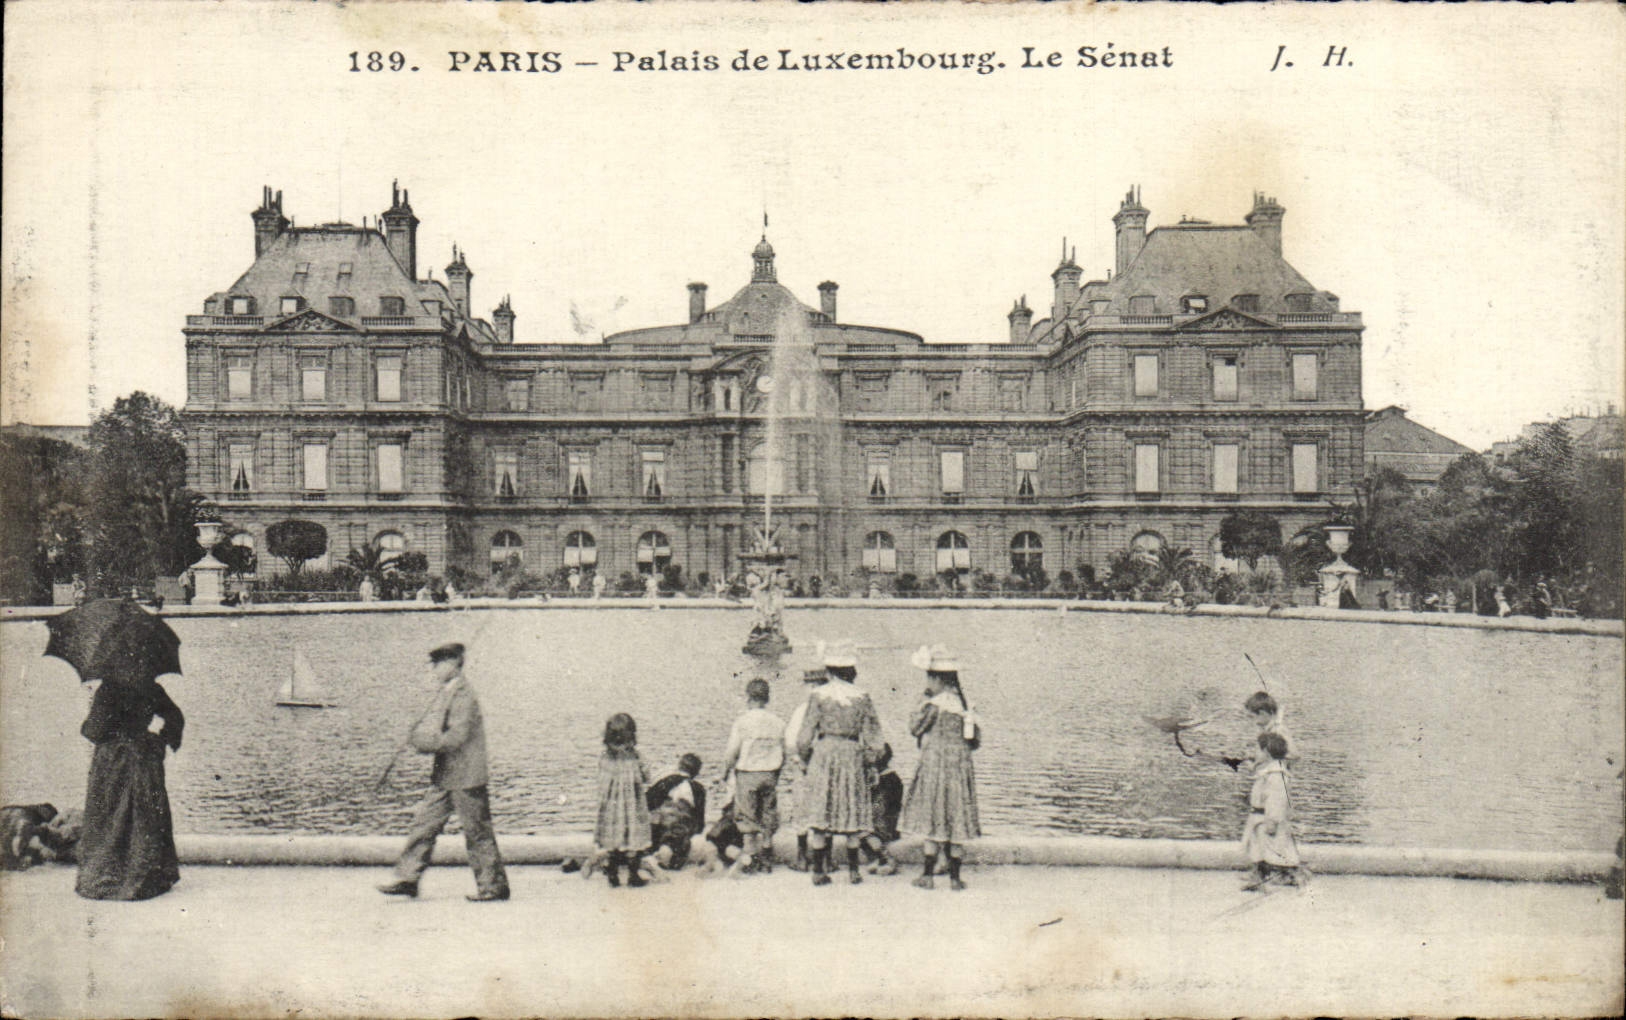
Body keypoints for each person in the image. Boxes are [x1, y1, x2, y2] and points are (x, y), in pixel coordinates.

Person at [378, 643, 510, 902]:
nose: (434, 670)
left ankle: (493, 886)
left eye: (438, 664)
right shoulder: (449, 691)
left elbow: (456, 738)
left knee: (477, 832)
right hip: (446, 776)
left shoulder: (463, 696)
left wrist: (420, 741)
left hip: (466, 777)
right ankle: (408, 878)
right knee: (423, 826)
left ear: (452, 664)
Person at [75, 678, 184, 900]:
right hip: (143, 760)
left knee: (109, 815)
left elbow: (94, 731)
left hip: (114, 763)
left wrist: (86, 723)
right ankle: (146, 877)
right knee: (144, 816)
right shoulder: (151, 687)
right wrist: (161, 740)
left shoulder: (108, 688)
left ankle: (110, 875)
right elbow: (176, 716)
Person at [796, 643, 885, 886]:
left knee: (821, 812)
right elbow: (876, 739)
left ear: (829, 669)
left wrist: (805, 758)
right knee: (852, 811)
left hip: (824, 753)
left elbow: (804, 737)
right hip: (851, 753)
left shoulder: (818, 696)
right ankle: (854, 870)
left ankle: (818, 871)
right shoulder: (862, 697)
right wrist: (870, 762)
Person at [899, 646, 982, 890]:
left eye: (929, 677)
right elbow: (975, 741)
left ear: (936, 678)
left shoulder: (933, 705)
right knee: (956, 817)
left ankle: (927, 875)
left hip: (935, 766)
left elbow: (914, 727)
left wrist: (921, 699)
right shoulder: (966, 706)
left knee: (934, 818)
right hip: (960, 768)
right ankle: (955, 878)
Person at [724, 678, 785, 875]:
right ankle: (767, 853)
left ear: (748, 697)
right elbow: (783, 751)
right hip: (770, 773)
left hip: (748, 773)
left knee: (747, 816)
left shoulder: (742, 722)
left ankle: (750, 858)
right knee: (768, 813)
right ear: (767, 698)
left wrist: (725, 771)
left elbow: (732, 751)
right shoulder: (778, 722)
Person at [1241, 731, 1307, 889]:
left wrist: (1272, 820)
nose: (1255, 753)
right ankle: (1260, 875)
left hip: (1267, 818)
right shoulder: (1269, 771)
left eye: (1257, 749)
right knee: (1260, 849)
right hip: (1259, 816)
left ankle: (1290, 875)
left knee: (1275, 849)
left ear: (1266, 752)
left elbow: (1277, 800)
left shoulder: (1277, 775)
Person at [594, 712, 651, 888]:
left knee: (613, 839)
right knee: (634, 838)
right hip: (633, 804)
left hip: (612, 805)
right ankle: (633, 875)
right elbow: (647, 776)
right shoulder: (636, 756)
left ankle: (613, 873)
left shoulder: (605, 757)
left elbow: (601, 780)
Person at [782, 667, 827, 871]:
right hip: (824, 765)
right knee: (824, 810)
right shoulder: (831, 707)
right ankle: (825, 859)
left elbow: (791, 742)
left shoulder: (802, 710)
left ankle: (802, 857)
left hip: (804, 764)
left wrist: (800, 759)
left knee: (801, 809)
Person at [647, 753, 706, 869]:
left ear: (679, 766)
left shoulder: (667, 781)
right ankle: (666, 851)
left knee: (655, 830)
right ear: (696, 772)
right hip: (681, 816)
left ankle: (653, 850)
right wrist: (697, 829)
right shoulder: (698, 787)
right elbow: (699, 814)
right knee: (677, 834)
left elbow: (649, 799)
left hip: (661, 815)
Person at [859, 743, 902, 874]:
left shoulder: (885, 780)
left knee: (860, 831)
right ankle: (877, 858)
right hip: (886, 822)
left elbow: (880, 810)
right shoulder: (892, 777)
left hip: (882, 825)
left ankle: (883, 858)